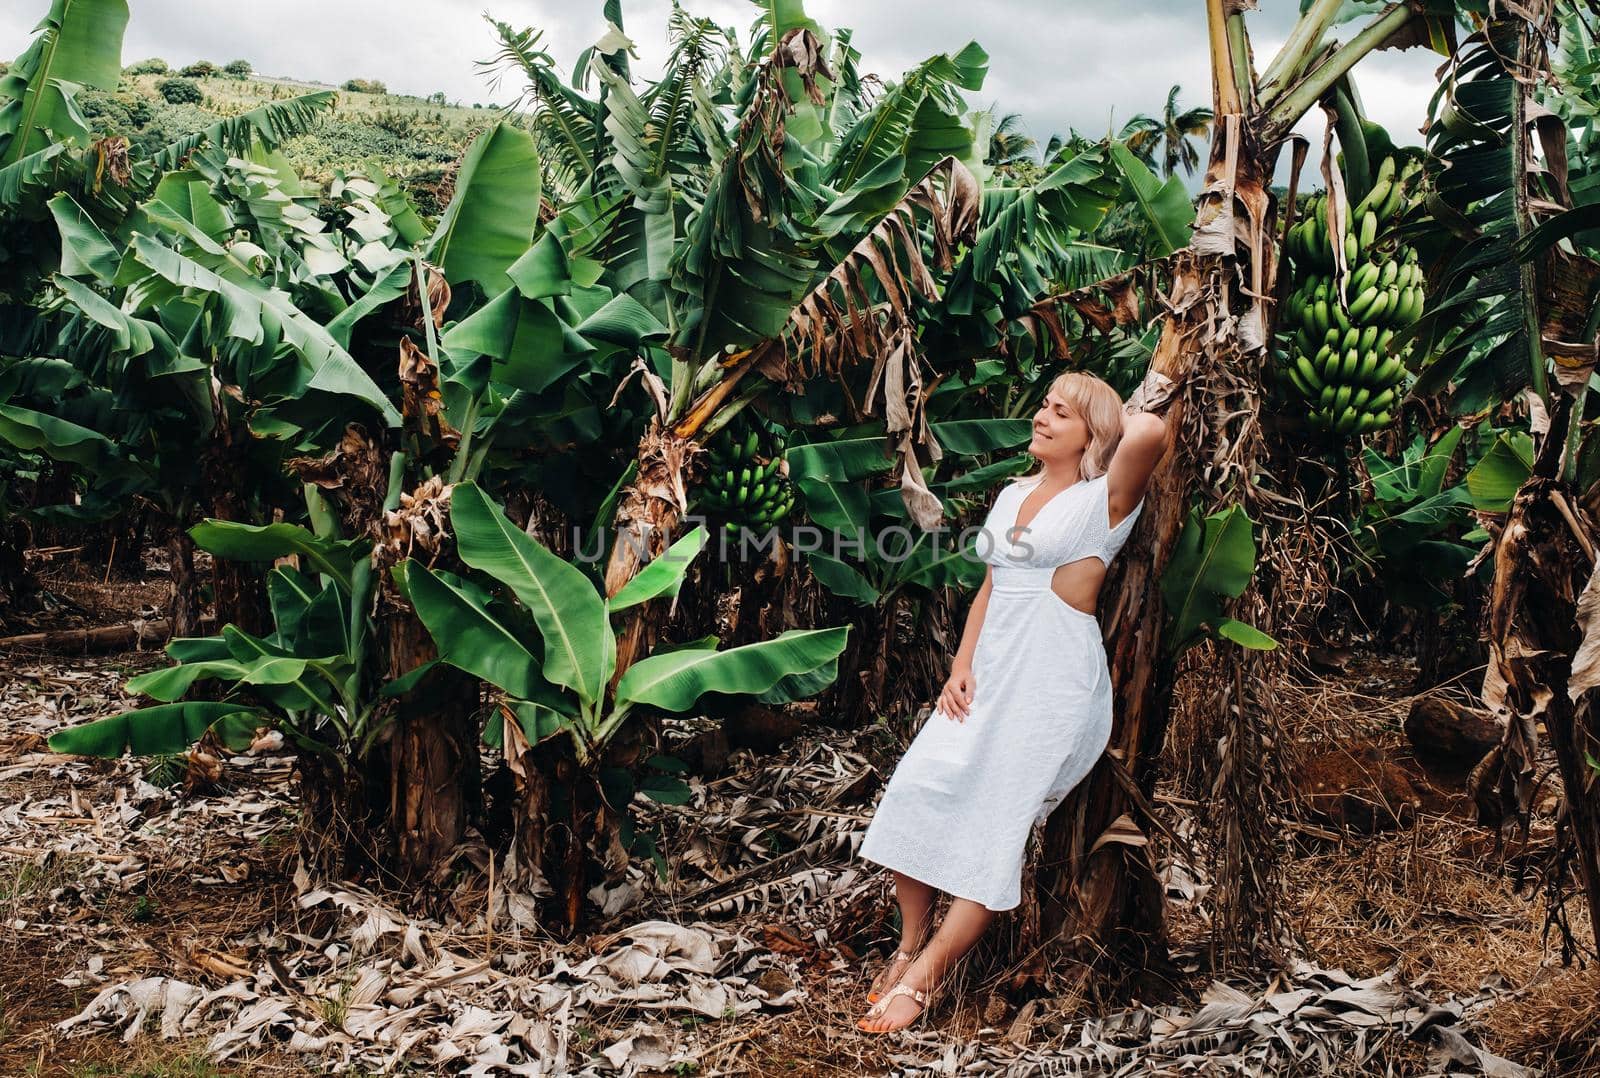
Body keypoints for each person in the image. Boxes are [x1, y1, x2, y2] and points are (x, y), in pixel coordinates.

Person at [854, 369, 1170, 1033]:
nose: (1043, 417)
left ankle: (924, 979)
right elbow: (992, 589)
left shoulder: (1103, 500)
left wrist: (1127, 404)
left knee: (996, 828)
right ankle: (910, 941)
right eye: (1043, 405)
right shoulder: (1011, 494)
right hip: (989, 671)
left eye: (1062, 413)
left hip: (1052, 682)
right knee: (914, 792)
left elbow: (1148, 430)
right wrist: (961, 664)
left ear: (1091, 435)